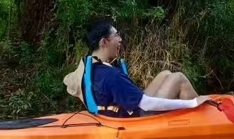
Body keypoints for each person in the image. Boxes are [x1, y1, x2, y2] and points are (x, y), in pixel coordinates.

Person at [65, 19, 204, 116]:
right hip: (139, 120)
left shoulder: (92, 68)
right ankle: (202, 116)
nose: (120, 39)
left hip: (114, 115)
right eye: (116, 35)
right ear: (104, 42)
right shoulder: (110, 75)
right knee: (179, 79)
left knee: (165, 74)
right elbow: (146, 105)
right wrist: (192, 103)